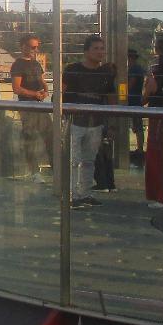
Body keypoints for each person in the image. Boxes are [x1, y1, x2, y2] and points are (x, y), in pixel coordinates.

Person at [62, 35, 116, 207]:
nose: (100, 52)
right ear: (86, 51)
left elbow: (110, 97)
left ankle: (85, 193)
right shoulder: (72, 70)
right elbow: (62, 93)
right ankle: (71, 195)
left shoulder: (106, 73)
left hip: (95, 123)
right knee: (73, 160)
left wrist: (111, 122)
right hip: (74, 121)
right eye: (96, 48)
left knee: (89, 160)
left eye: (102, 48)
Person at [9, 34, 51, 179]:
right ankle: (34, 172)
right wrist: (35, 94)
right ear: (23, 47)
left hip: (40, 105)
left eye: (37, 46)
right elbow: (17, 88)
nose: (36, 49)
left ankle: (55, 170)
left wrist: (45, 91)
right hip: (27, 106)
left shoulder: (36, 63)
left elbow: (41, 79)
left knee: (50, 136)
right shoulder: (18, 65)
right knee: (31, 137)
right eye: (33, 47)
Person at [141, 36, 163, 204]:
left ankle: (157, 194)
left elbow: (150, 90)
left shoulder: (154, 66)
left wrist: (141, 101)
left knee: (156, 153)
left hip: (157, 112)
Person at [125, 48, 146, 161]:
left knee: (137, 125)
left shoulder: (134, 69)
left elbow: (131, 84)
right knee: (137, 125)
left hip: (133, 99)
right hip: (136, 98)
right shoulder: (138, 69)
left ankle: (140, 148)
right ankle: (140, 148)